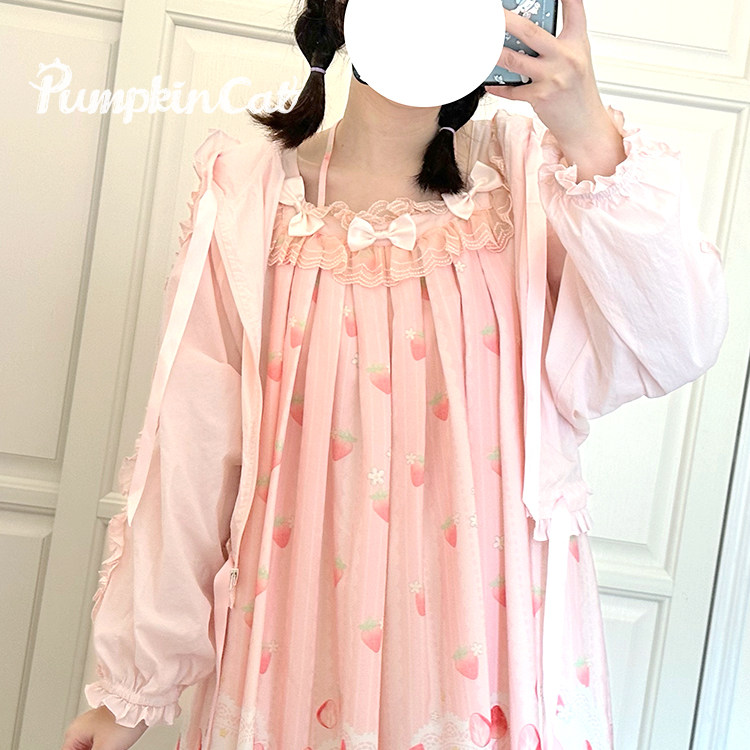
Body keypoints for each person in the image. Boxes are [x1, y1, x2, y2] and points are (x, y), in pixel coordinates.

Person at [61, 0, 729, 748]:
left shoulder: (529, 181)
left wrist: (587, 130)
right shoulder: (250, 196)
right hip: (294, 631)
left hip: (491, 641)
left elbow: (679, 338)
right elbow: (191, 449)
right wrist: (132, 692)